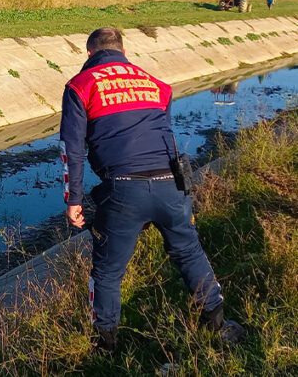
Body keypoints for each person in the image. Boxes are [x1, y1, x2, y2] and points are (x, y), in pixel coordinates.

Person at [59, 27, 244, 351]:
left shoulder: (80, 85)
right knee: (189, 252)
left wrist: (73, 200)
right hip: (172, 185)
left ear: (90, 54)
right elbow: (165, 137)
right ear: (123, 51)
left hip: (123, 190)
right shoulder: (156, 85)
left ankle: (104, 345)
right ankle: (218, 325)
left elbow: (71, 148)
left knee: (107, 271)